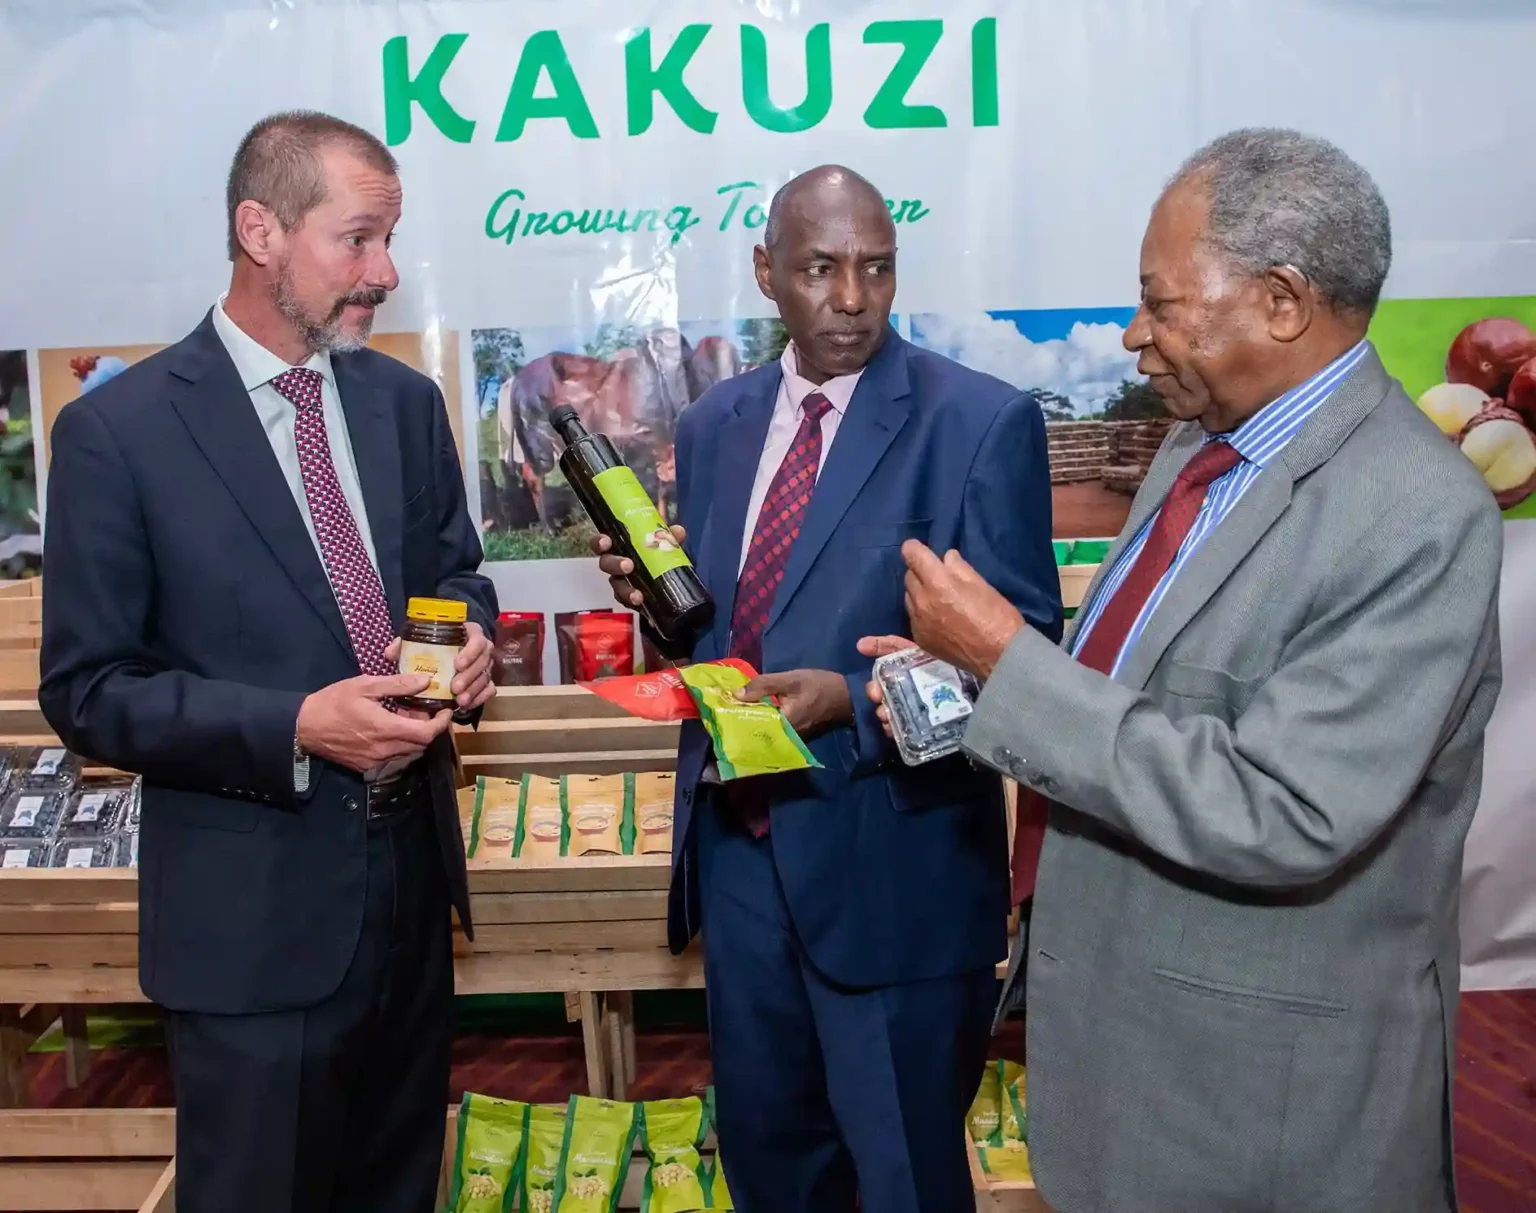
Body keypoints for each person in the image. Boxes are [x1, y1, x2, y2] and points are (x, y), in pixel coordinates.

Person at [863, 128, 1503, 1213]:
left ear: (1284, 301)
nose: (1132, 335)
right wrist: (976, 682)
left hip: (1263, 1111)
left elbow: (1284, 808)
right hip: (1132, 1058)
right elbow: (1141, 703)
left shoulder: (1416, 516)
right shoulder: (1196, 449)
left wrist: (1010, 661)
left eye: (1162, 305)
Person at [39, 111, 497, 1213]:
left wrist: (470, 642)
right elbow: (90, 690)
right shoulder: (124, 435)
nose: (384, 273)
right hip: (247, 926)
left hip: (408, 899)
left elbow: (457, 577)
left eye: (391, 241)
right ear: (260, 229)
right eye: (358, 239)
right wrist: (295, 723)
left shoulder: (402, 405)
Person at [596, 165, 1061, 1212]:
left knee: (901, 1177)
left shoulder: (979, 422)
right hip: (741, 857)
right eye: (819, 268)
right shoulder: (716, 422)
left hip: (895, 869)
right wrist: (655, 598)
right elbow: (721, 629)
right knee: (773, 1169)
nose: (852, 296)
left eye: (876, 269)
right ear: (767, 273)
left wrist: (851, 700)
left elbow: (1020, 672)